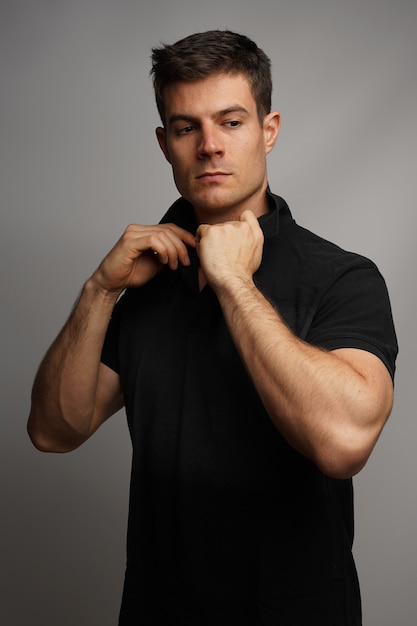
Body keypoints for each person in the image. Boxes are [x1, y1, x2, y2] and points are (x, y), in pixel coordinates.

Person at [28, 30, 397, 625]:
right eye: (185, 128)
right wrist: (100, 291)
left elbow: (343, 443)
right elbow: (54, 429)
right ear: (164, 143)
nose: (209, 147)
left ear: (268, 129)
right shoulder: (149, 280)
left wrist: (234, 284)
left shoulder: (342, 276)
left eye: (230, 122)